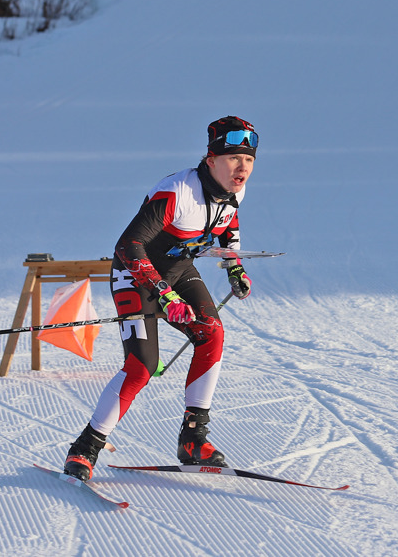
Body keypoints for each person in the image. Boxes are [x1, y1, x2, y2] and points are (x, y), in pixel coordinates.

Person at [63, 115, 258, 481]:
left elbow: (228, 226)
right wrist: (165, 297)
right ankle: (85, 448)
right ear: (211, 159)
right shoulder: (178, 191)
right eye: (233, 158)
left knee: (212, 333)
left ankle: (193, 439)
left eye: (248, 160)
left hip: (178, 269)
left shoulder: (234, 190)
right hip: (135, 274)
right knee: (142, 366)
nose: (242, 167)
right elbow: (128, 245)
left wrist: (235, 268)